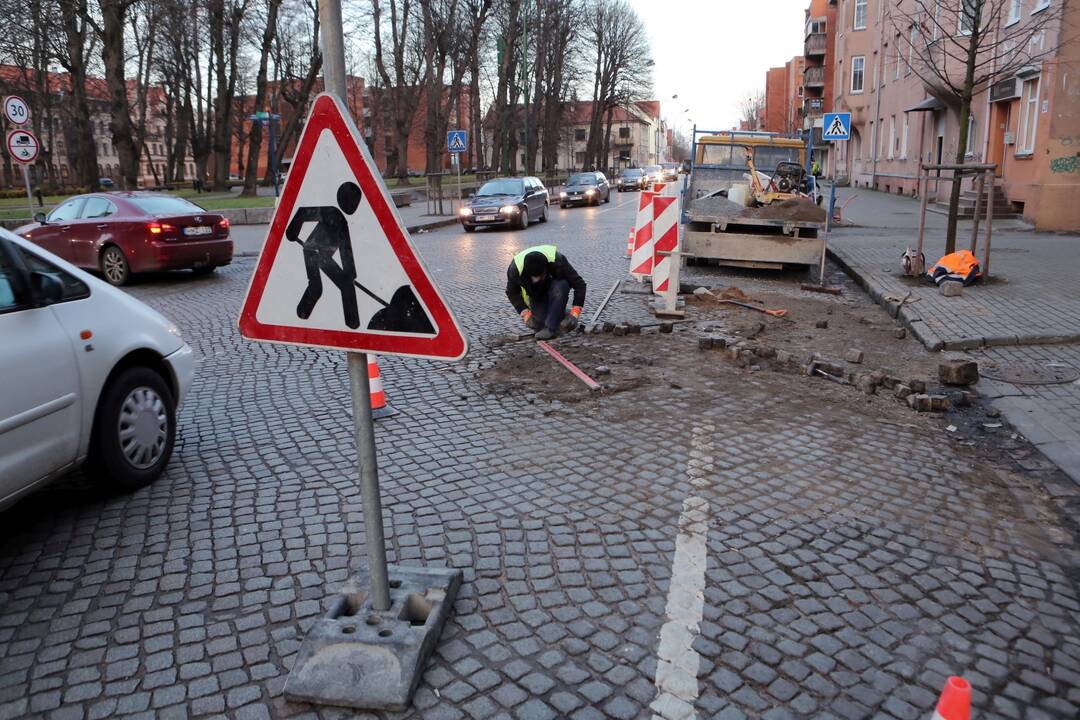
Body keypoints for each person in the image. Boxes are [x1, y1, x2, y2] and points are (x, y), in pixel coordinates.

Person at [288, 181, 363, 329]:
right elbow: (302, 212)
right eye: (353, 203)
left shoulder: (343, 222)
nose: (355, 207)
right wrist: (291, 232)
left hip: (324, 256)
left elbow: (345, 249)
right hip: (312, 252)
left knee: (347, 285)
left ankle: (353, 324)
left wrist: (350, 273)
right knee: (317, 287)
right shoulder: (330, 211)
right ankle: (302, 313)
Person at [506, 245, 586, 340]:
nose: (537, 279)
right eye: (534, 278)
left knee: (561, 286)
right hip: (536, 295)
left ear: (546, 268)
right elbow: (512, 293)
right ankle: (559, 315)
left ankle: (553, 323)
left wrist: (575, 313)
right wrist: (525, 314)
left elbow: (579, 284)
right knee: (539, 325)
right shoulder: (515, 270)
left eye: (540, 276)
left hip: (554, 286)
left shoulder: (558, 261)